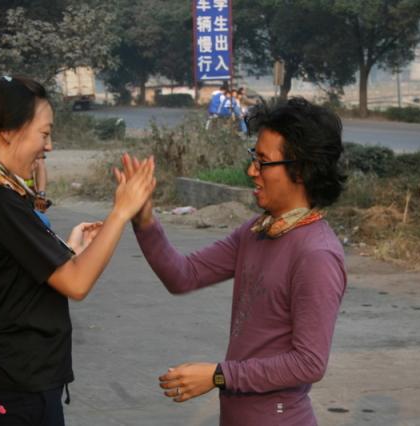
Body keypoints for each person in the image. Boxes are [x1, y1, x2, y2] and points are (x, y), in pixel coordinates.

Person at [122, 97, 347, 425]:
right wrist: (144, 220)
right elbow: (183, 275)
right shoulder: (257, 231)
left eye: (263, 162)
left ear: (300, 169)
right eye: (252, 158)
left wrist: (217, 375)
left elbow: (309, 363)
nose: (251, 171)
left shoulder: (316, 254)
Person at [0, 76, 155, 426]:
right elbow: (76, 283)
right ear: (9, 131)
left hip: (3, 376)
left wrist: (70, 249)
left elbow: (16, 270)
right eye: (44, 134)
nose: (50, 146)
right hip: (19, 384)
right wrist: (121, 212)